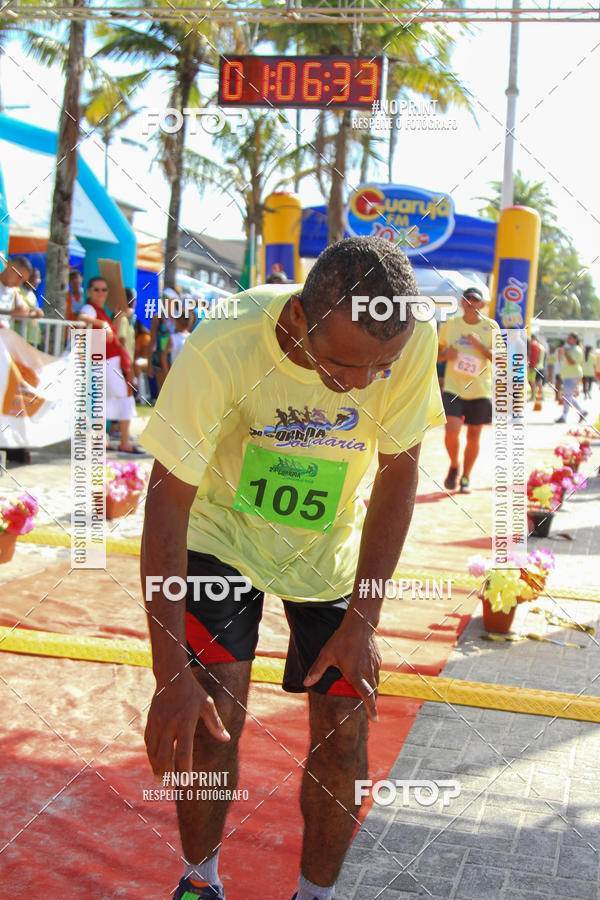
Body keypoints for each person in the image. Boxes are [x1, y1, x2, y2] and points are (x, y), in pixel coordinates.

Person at [139, 237, 444, 900]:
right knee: (209, 711)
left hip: (329, 549)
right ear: (298, 322)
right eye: (341, 365)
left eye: (380, 368)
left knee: (345, 732)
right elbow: (166, 505)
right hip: (222, 534)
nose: (363, 384)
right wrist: (170, 674)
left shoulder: (406, 338)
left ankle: (316, 894)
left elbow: (398, 477)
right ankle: (200, 883)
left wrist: (363, 621)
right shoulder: (225, 341)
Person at [437, 287, 499, 493]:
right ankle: (454, 465)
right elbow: (437, 355)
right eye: (466, 299)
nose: (470, 302)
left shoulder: (491, 327)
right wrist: (447, 354)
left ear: (482, 304)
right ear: (462, 302)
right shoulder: (450, 325)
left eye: (475, 299)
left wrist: (480, 346)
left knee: (474, 436)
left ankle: (466, 476)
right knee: (451, 431)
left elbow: (500, 359)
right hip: (454, 388)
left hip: (480, 390)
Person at [78, 276, 143, 454]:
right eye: (97, 289)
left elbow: (113, 335)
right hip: (106, 360)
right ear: (89, 292)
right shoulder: (90, 308)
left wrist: (115, 320)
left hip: (110, 359)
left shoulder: (101, 310)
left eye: (104, 289)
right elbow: (82, 317)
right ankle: (123, 442)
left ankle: (104, 440)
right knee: (124, 398)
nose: (101, 293)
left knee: (105, 400)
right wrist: (103, 324)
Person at [147, 287, 178, 396]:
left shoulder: (180, 317)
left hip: (176, 355)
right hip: (160, 356)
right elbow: (152, 342)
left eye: (169, 300)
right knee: (163, 392)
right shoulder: (157, 318)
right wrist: (149, 364)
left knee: (176, 391)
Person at [556, 332, 586, 423]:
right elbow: (560, 359)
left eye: (570, 338)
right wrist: (561, 353)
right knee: (568, 396)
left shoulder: (577, 350)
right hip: (568, 375)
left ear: (575, 340)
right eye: (567, 338)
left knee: (566, 396)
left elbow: (572, 362)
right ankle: (582, 411)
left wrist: (565, 353)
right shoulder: (569, 349)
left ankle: (564, 416)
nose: (567, 340)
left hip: (573, 375)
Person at [0, 255, 36, 328]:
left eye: (23, 281)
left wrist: (32, 312)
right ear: (10, 267)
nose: (19, 283)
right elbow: (14, 313)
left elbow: (21, 311)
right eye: (19, 277)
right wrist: (10, 313)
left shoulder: (15, 291)